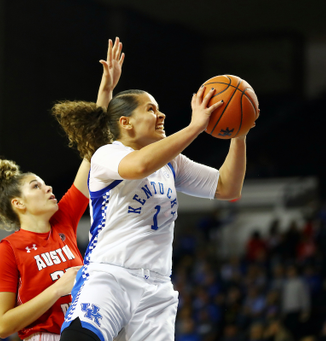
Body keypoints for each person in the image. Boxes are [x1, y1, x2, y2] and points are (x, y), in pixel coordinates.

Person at [53, 63, 256, 340]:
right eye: (150, 109)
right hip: (110, 275)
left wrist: (239, 135)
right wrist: (195, 127)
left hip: (156, 288)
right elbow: (139, 166)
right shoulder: (106, 155)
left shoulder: (172, 162)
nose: (161, 114)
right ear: (126, 123)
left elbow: (227, 187)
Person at [0, 37, 125, 341]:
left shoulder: (63, 220)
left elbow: (92, 153)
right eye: (36, 185)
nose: (48, 188)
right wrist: (57, 290)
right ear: (18, 204)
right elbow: (3, 325)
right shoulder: (8, 251)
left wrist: (106, 93)